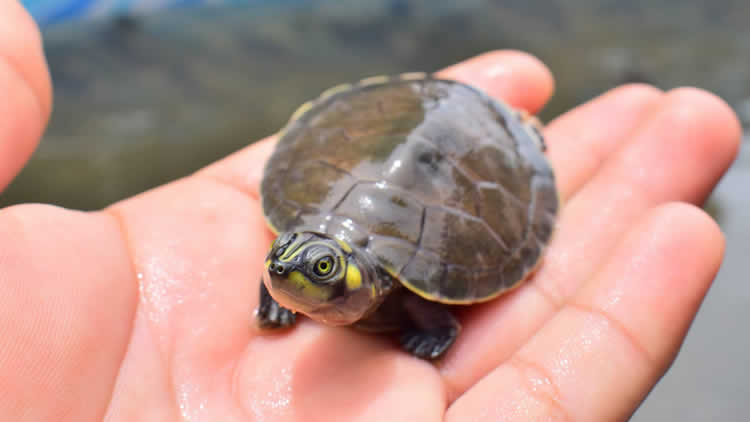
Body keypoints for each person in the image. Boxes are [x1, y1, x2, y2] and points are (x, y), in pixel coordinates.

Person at [0, 2, 741, 420]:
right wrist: (283, 295)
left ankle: (505, 132)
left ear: (354, 282)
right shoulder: (296, 262)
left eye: (316, 271)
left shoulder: (400, 294)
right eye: (287, 266)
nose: (290, 271)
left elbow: (439, 318)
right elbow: (291, 263)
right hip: (368, 159)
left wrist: (429, 330)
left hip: (454, 155)